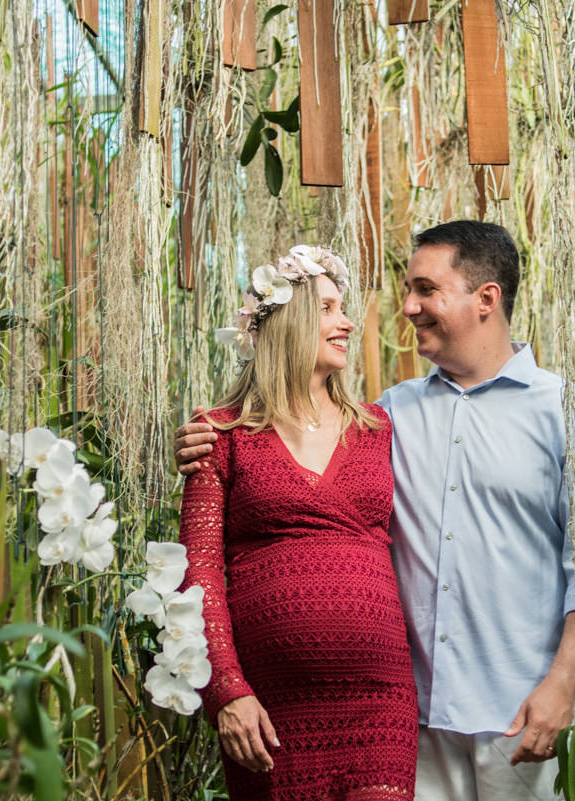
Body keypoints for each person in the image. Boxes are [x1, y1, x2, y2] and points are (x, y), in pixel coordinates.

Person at [176, 222, 575, 801]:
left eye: (424, 289)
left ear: (485, 298)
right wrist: (200, 442)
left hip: (522, 711)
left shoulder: (570, 413)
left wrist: (563, 687)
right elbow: (280, 457)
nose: (408, 306)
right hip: (420, 719)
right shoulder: (391, 414)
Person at [178, 245, 418, 801]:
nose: (347, 321)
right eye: (330, 308)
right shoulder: (220, 433)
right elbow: (199, 573)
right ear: (290, 320)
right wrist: (227, 692)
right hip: (269, 706)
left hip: (378, 698)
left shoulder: (378, 426)